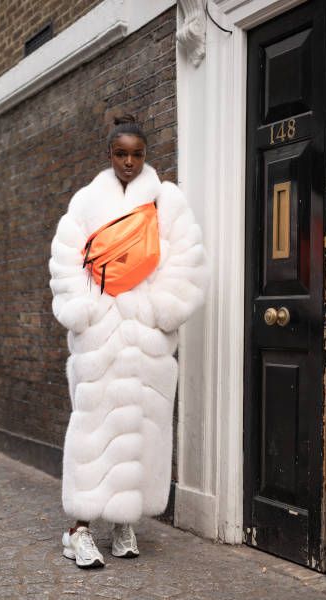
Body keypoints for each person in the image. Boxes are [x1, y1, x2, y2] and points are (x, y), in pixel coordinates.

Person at [48, 114, 210, 569]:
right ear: (109, 154)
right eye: (121, 153)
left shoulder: (167, 203)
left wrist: (158, 313)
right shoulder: (85, 203)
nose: (129, 162)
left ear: (146, 154)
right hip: (100, 340)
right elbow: (65, 263)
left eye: (137, 154)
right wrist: (89, 313)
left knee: (142, 431)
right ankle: (77, 530)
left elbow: (187, 263)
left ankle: (123, 522)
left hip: (147, 342)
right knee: (90, 430)